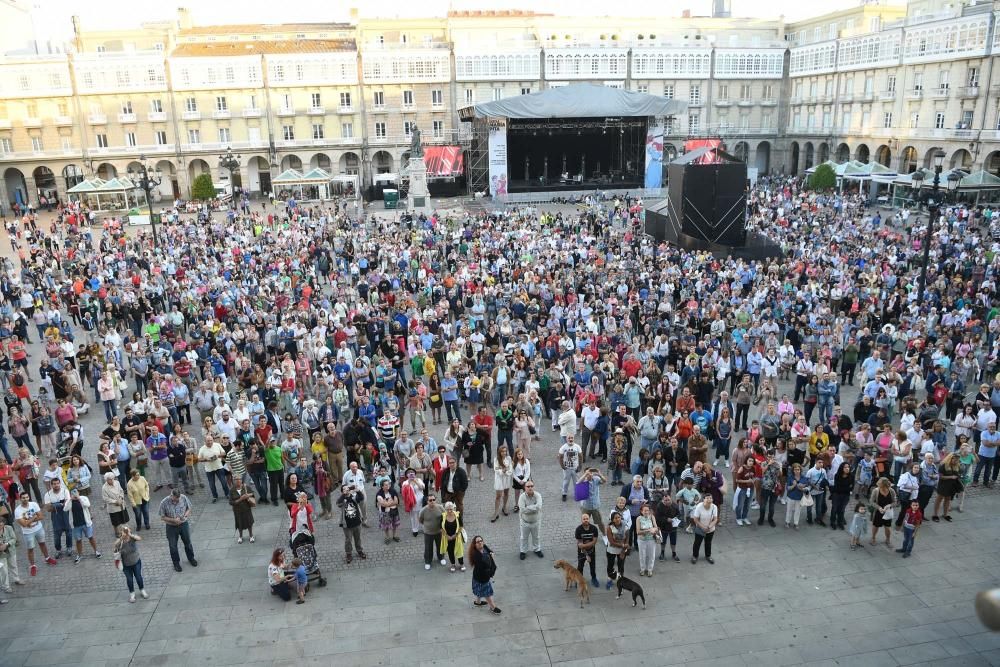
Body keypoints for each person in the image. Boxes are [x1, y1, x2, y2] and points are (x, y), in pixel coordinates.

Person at [13, 490, 57, 575]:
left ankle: (47, 558)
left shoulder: (34, 504)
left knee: (42, 544)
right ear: (20, 499)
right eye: (23, 498)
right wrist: (33, 517)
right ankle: (32, 565)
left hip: (39, 529)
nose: (25, 499)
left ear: (28, 497)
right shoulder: (17, 510)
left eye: (26, 497)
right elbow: (24, 524)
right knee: (30, 549)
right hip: (28, 532)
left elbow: (41, 516)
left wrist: (29, 520)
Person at [158, 488, 197, 572]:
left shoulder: (183, 498)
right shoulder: (164, 502)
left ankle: (191, 558)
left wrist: (185, 516)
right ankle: (176, 563)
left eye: (178, 499)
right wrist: (173, 520)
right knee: (173, 546)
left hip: (183, 524)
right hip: (171, 527)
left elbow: (189, 508)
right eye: (175, 499)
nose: (176, 501)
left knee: (188, 542)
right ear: (171, 495)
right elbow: (162, 517)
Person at [114, 525, 147, 602]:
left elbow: (139, 538)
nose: (125, 532)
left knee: (138, 576)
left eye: (126, 530)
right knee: (129, 579)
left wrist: (130, 534)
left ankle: (142, 590)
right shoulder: (120, 541)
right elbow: (115, 545)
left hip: (136, 562)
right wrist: (122, 538)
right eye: (124, 531)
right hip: (126, 564)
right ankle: (132, 594)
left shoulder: (132, 538)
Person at [66, 488, 100, 562]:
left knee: (90, 537)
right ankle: (79, 555)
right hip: (75, 525)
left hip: (86, 523)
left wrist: (79, 499)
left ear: (78, 492)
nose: (74, 494)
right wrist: (70, 500)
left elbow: (87, 505)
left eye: (76, 492)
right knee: (78, 540)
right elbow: (65, 509)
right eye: (73, 492)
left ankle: (96, 551)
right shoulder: (69, 501)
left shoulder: (84, 498)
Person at [42, 475, 72, 558]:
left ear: (60, 484)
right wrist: (60, 504)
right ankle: (58, 549)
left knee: (69, 533)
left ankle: (69, 547)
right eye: (54, 484)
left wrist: (54, 505)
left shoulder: (65, 491)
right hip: (55, 517)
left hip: (66, 515)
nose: (56, 485)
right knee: (57, 536)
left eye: (57, 483)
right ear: (51, 485)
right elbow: (48, 509)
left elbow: (67, 504)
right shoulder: (47, 495)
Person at [469, 535, 501, 614]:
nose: (480, 543)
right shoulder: (477, 556)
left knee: (479, 591)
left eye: (481, 541)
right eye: (478, 542)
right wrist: (492, 558)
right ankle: (493, 607)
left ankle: (478, 602)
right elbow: (487, 568)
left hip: (479, 576)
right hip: (482, 578)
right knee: (487, 593)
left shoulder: (484, 547)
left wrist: (491, 553)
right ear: (475, 544)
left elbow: (489, 551)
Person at [336, 484, 366, 563]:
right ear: (342, 491)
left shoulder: (354, 496)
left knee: (358, 538)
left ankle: (359, 551)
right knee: (348, 540)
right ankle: (348, 554)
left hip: (357, 522)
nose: (347, 490)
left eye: (347, 488)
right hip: (347, 525)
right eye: (344, 489)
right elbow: (338, 503)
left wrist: (358, 491)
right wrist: (343, 494)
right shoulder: (342, 499)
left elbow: (361, 498)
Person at [417, 492, 444, 570]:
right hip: (428, 533)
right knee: (428, 548)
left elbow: (444, 516)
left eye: (433, 500)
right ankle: (428, 561)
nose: (432, 501)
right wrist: (427, 526)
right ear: (427, 501)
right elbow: (420, 520)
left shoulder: (440, 507)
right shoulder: (423, 510)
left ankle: (441, 558)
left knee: (440, 546)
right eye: (430, 500)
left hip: (439, 531)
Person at [516, 480, 543, 559]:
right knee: (523, 538)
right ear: (525, 488)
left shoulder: (538, 495)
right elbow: (522, 510)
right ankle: (523, 551)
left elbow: (539, 507)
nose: (530, 488)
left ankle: (537, 549)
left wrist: (528, 508)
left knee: (536, 537)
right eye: (528, 486)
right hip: (525, 522)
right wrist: (534, 508)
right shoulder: (522, 497)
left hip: (536, 521)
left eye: (532, 486)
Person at [604, 510, 629, 589]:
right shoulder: (609, 528)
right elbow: (611, 542)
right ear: (612, 520)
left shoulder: (625, 526)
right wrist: (623, 545)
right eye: (615, 518)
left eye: (619, 517)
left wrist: (623, 550)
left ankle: (621, 580)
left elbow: (627, 537)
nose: (618, 519)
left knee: (621, 566)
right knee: (610, 566)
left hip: (622, 549)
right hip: (611, 550)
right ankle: (609, 580)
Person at [690, 494, 718, 564]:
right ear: (703, 500)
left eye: (710, 498)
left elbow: (715, 519)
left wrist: (709, 527)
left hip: (710, 528)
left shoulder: (714, 507)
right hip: (700, 528)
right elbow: (695, 519)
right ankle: (695, 556)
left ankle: (708, 556)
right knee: (697, 543)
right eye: (707, 498)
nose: (709, 499)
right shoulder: (699, 507)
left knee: (708, 543)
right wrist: (703, 527)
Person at [575, 511, 601, 587]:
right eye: (584, 519)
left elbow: (594, 541)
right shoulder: (578, 529)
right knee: (580, 566)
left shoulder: (594, 528)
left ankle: (594, 578)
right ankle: (579, 579)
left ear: (589, 519)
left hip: (592, 551)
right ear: (581, 520)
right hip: (582, 552)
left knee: (592, 566)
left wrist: (584, 545)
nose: (586, 520)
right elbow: (580, 545)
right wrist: (586, 555)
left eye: (587, 518)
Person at [653, 491, 681, 562]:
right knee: (663, 541)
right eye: (665, 500)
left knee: (673, 541)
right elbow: (657, 517)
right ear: (662, 500)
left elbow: (679, 514)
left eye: (668, 500)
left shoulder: (675, 505)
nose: (667, 502)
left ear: (671, 499)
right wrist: (666, 519)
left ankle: (674, 553)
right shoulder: (659, 506)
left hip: (673, 527)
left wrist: (675, 518)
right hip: (663, 527)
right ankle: (662, 553)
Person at [635, 503, 659, 577]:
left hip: (651, 539)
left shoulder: (652, 517)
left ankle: (650, 569)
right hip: (642, 540)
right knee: (642, 555)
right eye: (644, 510)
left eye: (647, 510)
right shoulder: (638, 518)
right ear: (641, 511)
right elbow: (638, 532)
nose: (646, 512)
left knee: (651, 555)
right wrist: (648, 530)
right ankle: (642, 569)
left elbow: (656, 528)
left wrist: (654, 529)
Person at [229, 477, 256, 544]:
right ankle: (240, 536)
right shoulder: (232, 490)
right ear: (234, 481)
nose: (238, 481)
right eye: (236, 480)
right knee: (239, 524)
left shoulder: (246, 487)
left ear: (241, 480)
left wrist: (247, 495)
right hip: (237, 511)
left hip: (247, 509)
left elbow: (253, 493)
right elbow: (230, 502)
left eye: (239, 480)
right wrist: (240, 499)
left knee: (249, 523)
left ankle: (251, 536)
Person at [440, 501, 466, 572]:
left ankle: (461, 564)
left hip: (457, 537)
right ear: (445, 509)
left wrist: (456, 534)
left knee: (459, 550)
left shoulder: (457, 515)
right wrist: (446, 536)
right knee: (450, 551)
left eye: (451, 509)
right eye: (447, 509)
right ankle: (453, 564)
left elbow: (461, 526)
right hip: (447, 538)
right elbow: (441, 528)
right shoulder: (443, 516)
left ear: (453, 508)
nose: (449, 511)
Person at [557, 435, 583, 502]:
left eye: (572, 438)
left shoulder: (577, 447)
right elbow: (560, 457)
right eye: (569, 438)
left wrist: (580, 466)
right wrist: (562, 466)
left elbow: (580, 456)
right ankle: (564, 494)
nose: (570, 439)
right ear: (566, 439)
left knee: (577, 482)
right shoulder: (563, 447)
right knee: (566, 482)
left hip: (575, 468)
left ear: (574, 438)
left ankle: (577, 494)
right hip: (567, 468)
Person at [375, 477, 400, 543]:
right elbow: (383, 505)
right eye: (386, 485)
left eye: (389, 484)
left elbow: (396, 502)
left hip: (394, 511)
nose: (388, 486)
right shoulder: (379, 494)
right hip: (385, 513)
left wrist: (387, 503)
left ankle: (394, 536)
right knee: (386, 526)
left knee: (395, 524)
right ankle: (387, 537)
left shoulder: (393, 490)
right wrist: (391, 502)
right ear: (382, 486)